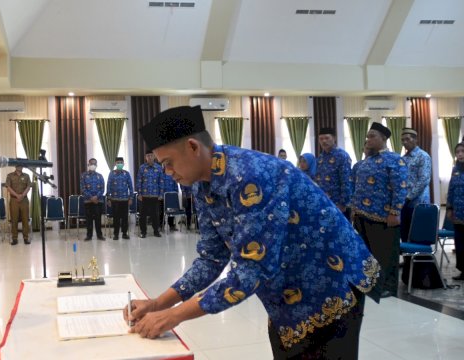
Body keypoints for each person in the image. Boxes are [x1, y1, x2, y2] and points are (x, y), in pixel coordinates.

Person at [128, 105, 380, 359]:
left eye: (168, 163)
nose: (167, 173)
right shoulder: (201, 186)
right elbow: (212, 258)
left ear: (193, 147)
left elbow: (251, 269)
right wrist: (158, 304)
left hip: (328, 281)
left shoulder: (250, 175)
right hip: (287, 290)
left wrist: (173, 316)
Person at [352, 122, 407, 298]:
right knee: (367, 253)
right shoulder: (366, 161)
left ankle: (388, 287)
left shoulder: (394, 159)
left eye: (372, 136)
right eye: (367, 136)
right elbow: (358, 187)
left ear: (383, 138)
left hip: (383, 216)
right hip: (362, 215)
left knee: (385, 253)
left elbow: (400, 188)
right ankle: (371, 284)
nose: (368, 139)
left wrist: (395, 212)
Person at [400, 127, 431, 242]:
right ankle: (407, 260)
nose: (404, 142)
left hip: (418, 202)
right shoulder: (403, 158)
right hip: (404, 202)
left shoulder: (423, 156)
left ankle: (421, 259)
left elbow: (424, 179)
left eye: (407, 139)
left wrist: (409, 196)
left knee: (418, 234)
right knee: (404, 232)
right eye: (402, 140)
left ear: (415, 139)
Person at [315, 127, 353, 219]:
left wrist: (343, 204)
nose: (324, 141)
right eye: (321, 139)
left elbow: (346, 181)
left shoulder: (342, 155)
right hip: (323, 202)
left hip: (338, 204)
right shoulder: (320, 158)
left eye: (327, 138)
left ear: (334, 138)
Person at [135, 151, 164, 238]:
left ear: (154, 157)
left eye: (151, 155)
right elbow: (138, 181)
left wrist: (161, 194)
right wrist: (139, 193)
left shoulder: (159, 168)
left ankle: (156, 231)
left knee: (155, 214)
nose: (150, 157)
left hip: (155, 196)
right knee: (142, 215)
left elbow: (161, 181)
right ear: (145, 157)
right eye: (148, 156)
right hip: (144, 196)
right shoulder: (142, 168)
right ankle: (143, 232)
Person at [446, 142, 464, 281]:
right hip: (458, 212)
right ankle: (463, 270)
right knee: (459, 242)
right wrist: (449, 208)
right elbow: (451, 190)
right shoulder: (455, 169)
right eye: (457, 152)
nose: (459, 154)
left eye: (462, 151)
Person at [106, 157, 133, 240]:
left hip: (125, 200)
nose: (119, 164)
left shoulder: (127, 173)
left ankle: (124, 233)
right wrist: (108, 199)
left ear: (123, 163)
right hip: (114, 200)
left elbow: (130, 186)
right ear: (115, 164)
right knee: (116, 218)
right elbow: (108, 186)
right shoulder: (111, 173)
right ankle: (116, 234)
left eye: (121, 162)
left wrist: (131, 198)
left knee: (125, 217)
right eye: (118, 162)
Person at [6, 165, 31, 245]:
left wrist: (22, 195)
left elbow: (28, 187)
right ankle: (14, 238)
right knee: (14, 219)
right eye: (18, 165)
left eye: (21, 165)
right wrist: (17, 195)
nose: (20, 167)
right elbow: (8, 187)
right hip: (14, 200)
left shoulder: (27, 176)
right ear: (15, 166)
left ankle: (26, 237)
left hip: (24, 199)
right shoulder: (10, 176)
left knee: (25, 219)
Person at [80, 158, 105, 241]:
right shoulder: (83, 175)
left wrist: (96, 197)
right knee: (89, 220)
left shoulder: (100, 176)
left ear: (96, 165)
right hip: (88, 201)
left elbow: (102, 189)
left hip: (98, 201)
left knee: (98, 219)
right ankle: (89, 235)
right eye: (91, 164)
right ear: (88, 165)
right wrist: (91, 197)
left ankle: (99, 235)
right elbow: (83, 188)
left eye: (94, 164)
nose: (93, 165)